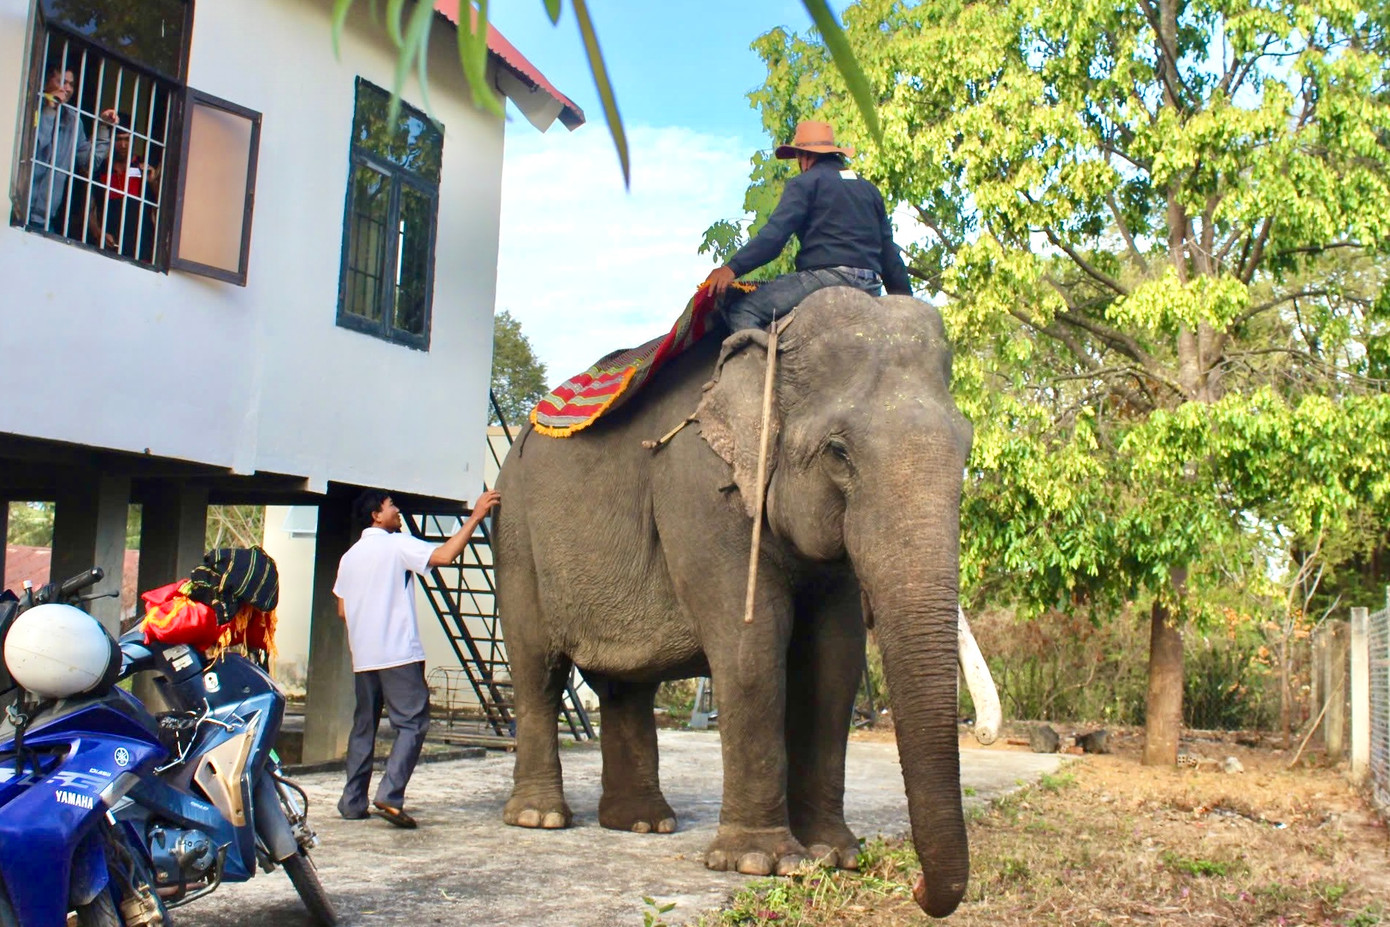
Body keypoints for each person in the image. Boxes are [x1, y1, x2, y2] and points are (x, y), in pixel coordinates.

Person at [333, 487, 502, 828]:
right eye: (390, 505)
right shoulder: (396, 544)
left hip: (364, 656)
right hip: (397, 653)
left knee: (364, 727)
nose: (397, 510)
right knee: (412, 724)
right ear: (376, 516)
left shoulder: (350, 556)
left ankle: (352, 802)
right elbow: (443, 556)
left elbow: (342, 609)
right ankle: (389, 794)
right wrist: (476, 517)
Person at [703, 120, 914, 331]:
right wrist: (905, 304)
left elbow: (774, 238)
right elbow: (889, 254)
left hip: (825, 280)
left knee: (743, 310)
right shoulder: (869, 190)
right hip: (871, 286)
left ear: (805, 157)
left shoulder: (804, 183)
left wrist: (732, 268)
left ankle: (762, 364)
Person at [26, 65, 114, 233]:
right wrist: (49, 110)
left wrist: (104, 126)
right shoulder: (30, 107)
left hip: (46, 220)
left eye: (71, 84)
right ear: (46, 83)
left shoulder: (74, 120)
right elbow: (34, 147)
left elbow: (89, 162)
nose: (67, 88)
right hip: (16, 210)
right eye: (62, 82)